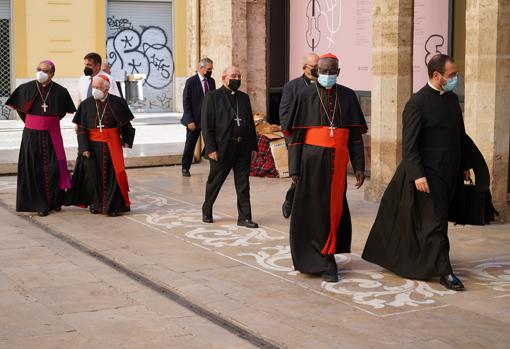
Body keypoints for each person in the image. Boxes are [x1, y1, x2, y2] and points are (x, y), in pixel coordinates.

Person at [362, 54, 472, 291]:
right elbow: (409, 145)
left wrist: (464, 166)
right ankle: (445, 271)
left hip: (449, 171)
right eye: (452, 75)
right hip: (428, 174)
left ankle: (424, 261)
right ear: (436, 75)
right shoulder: (417, 103)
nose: (456, 79)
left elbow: (459, 136)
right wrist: (417, 175)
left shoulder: (452, 100)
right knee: (435, 222)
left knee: (437, 220)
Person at [285, 53, 367, 282]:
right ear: (315, 72)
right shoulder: (304, 95)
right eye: (324, 71)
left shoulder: (348, 96)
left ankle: (328, 255)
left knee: (333, 209)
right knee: (313, 209)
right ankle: (316, 258)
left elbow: (355, 137)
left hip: (338, 163)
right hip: (311, 163)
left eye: (332, 71)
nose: (328, 75)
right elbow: (296, 137)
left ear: (339, 72)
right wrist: (294, 169)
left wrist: (359, 165)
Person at [6, 60, 76, 216]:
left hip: (52, 134)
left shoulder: (60, 91)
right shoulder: (26, 88)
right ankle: (40, 204)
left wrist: (48, 122)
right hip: (32, 135)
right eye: (38, 69)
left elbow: (62, 112)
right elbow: (21, 110)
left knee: (55, 168)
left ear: (52, 73)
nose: (40, 72)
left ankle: (56, 201)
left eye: (44, 70)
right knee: (34, 169)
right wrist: (35, 123)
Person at [67, 74, 135, 216]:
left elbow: (126, 124)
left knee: (114, 175)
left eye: (98, 87)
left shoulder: (118, 102)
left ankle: (114, 206)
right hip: (92, 146)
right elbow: (81, 128)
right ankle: (96, 204)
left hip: (112, 145)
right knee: (93, 177)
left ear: (106, 88)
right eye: (93, 87)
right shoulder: (86, 104)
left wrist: (127, 140)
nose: (95, 90)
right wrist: (84, 148)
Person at [201, 65, 258, 228]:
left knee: (243, 184)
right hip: (222, 148)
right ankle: (207, 209)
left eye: (239, 76)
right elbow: (206, 125)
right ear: (223, 78)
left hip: (242, 148)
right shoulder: (212, 97)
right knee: (215, 182)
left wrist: (253, 146)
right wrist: (211, 148)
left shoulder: (244, 98)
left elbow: (250, 125)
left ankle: (244, 217)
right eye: (234, 76)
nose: (237, 79)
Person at [279, 52, 319, 218]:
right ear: (304, 68)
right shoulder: (292, 86)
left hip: (318, 138)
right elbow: (285, 113)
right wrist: (291, 139)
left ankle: (312, 206)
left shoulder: (323, 85)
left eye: (319, 66)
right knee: (300, 174)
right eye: (314, 67)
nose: (318, 69)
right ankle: (290, 200)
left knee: (315, 173)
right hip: (299, 139)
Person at [180, 57, 216, 177]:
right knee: (190, 144)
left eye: (212, 69)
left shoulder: (211, 81)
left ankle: (214, 166)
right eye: (209, 69)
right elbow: (186, 102)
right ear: (201, 68)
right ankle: (185, 167)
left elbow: (213, 101)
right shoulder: (191, 81)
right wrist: (189, 120)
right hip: (194, 120)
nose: (211, 71)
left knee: (212, 143)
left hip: (208, 120)